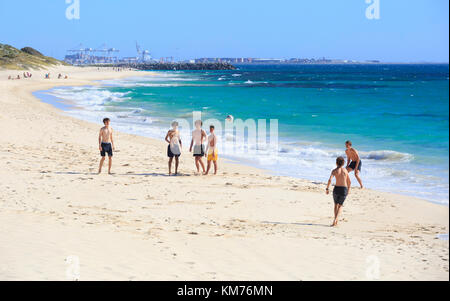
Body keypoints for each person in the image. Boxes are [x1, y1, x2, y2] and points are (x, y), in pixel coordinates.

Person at [326, 156, 351, 227]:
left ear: (336, 163)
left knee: (335, 205)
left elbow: (330, 180)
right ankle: (336, 219)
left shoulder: (334, 171)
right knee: (340, 206)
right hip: (344, 189)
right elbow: (349, 182)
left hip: (336, 189)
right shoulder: (345, 171)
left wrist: (327, 188)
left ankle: (335, 220)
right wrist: (348, 190)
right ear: (343, 163)